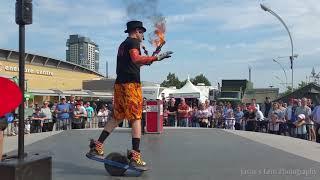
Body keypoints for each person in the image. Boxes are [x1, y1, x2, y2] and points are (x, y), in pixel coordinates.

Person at [88, 20, 173, 169]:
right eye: (142, 32)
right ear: (136, 31)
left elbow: (137, 63)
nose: (143, 36)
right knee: (136, 118)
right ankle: (135, 156)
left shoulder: (124, 44)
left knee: (117, 117)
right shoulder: (133, 42)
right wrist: (156, 58)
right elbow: (136, 59)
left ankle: (97, 145)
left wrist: (154, 56)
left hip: (120, 85)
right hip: (130, 86)